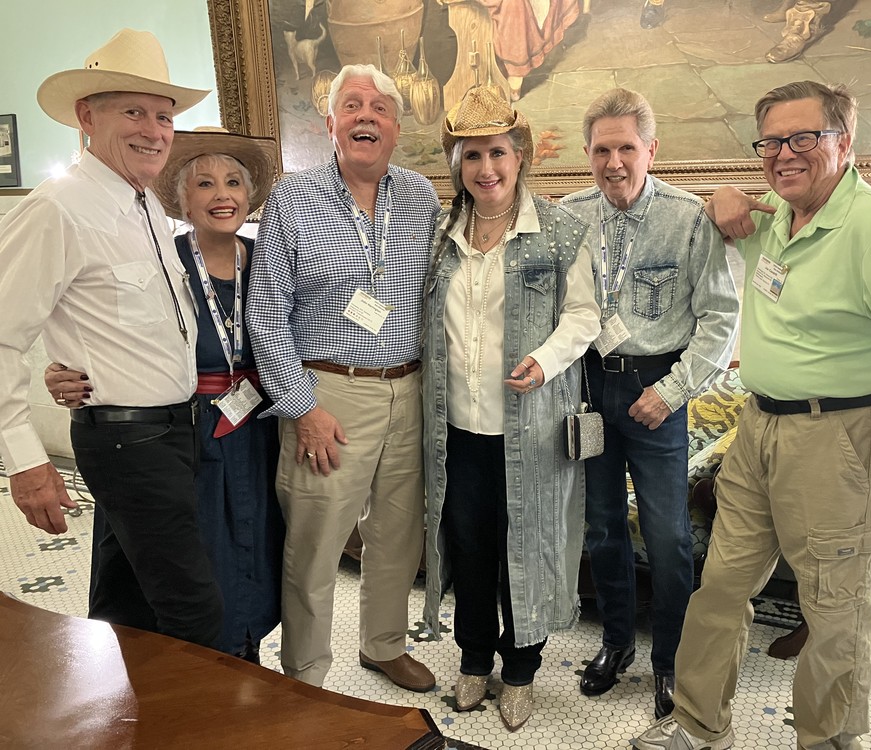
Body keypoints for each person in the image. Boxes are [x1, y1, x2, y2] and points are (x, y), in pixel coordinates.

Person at [636, 80, 871, 750]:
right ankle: (699, 724)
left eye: (804, 137)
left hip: (839, 439)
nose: (784, 153)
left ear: (844, 143)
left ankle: (825, 740)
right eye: (770, 142)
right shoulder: (779, 216)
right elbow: (724, 211)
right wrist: (723, 195)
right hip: (758, 428)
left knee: (834, 609)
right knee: (721, 587)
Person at [0, 29, 224, 647]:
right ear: (86, 116)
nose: (153, 131)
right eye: (133, 112)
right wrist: (26, 460)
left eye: (163, 116)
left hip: (172, 431)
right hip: (127, 440)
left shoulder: (146, 205)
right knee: (195, 613)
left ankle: (121, 704)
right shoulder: (57, 208)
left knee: (126, 604)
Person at [44, 128, 285, 663]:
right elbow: (105, 325)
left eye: (233, 183)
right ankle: (194, 671)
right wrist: (60, 371)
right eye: (205, 184)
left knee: (256, 544)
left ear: (249, 196)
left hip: (257, 430)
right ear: (182, 199)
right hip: (179, 433)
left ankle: (247, 658)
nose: (222, 195)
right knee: (188, 562)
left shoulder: (269, 258)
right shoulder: (163, 261)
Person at [246, 64, 439, 691]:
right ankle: (305, 673)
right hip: (328, 392)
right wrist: (302, 407)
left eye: (380, 108)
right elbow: (266, 312)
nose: (366, 117)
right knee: (317, 540)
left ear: (396, 128)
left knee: (398, 533)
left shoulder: (421, 197)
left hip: (409, 388)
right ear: (330, 123)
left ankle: (383, 645)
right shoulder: (292, 198)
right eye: (352, 105)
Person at [421, 85, 601, 731]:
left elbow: (584, 315)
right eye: (472, 156)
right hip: (458, 426)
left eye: (497, 152)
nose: (486, 168)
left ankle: (521, 670)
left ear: (520, 155)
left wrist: (545, 359)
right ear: (457, 164)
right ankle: (473, 659)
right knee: (469, 545)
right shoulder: (441, 234)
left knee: (527, 544)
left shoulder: (560, 231)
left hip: (531, 426)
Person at [560, 88, 740, 720]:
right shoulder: (567, 216)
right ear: (587, 153)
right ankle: (616, 643)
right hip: (588, 389)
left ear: (651, 150)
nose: (614, 163)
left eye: (626, 149)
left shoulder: (689, 218)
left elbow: (721, 319)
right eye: (601, 150)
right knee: (602, 525)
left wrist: (669, 393)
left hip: (658, 388)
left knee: (667, 534)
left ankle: (670, 659)